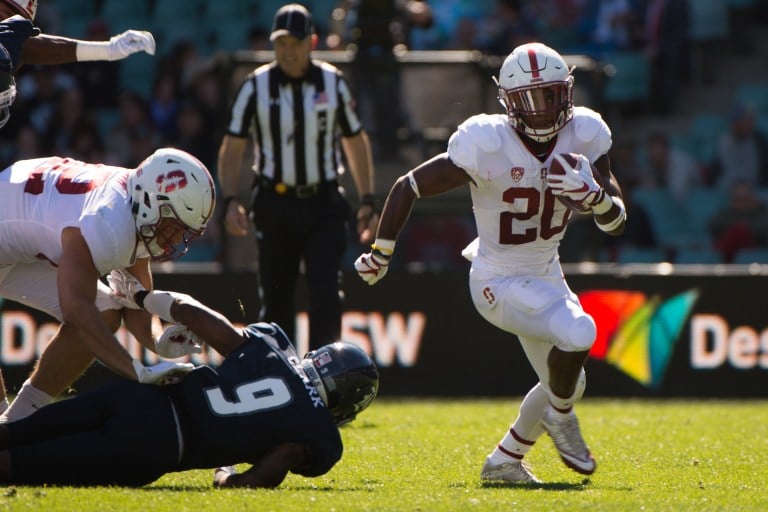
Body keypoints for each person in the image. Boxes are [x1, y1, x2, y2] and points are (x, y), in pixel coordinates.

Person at [355, 42, 627, 483]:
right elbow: (408, 185)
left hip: (546, 273)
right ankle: (560, 419)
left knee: (569, 382)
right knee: (581, 331)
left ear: (568, 92)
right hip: (496, 278)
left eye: (551, 96)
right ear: (508, 101)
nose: (541, 111)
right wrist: (381, 251)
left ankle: (504, 461)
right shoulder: (487, 140)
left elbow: (616, 221)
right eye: (529, 100)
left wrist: (596, 199)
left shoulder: (586, 133)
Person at [0, 283, 379, 487]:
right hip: (159, 444)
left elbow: (195, 315)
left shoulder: (272, 346)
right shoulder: (317, 434)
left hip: (141, 395)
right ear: (345, 403)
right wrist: (227, 476)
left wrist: (143, 297)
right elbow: (270, 468)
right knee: (19, 466)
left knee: (17, 432)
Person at [0, 147, 216, 422]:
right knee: (92, 314)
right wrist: (135, 370)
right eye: (174, 226)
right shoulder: (107, 220)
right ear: (153, 202)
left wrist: (158, 343)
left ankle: (18, 420)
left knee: (107, 310)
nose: (174, 241)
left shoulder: (137, 203)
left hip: (18, 232)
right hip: (6, 214)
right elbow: (77, 312)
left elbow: (133, 299)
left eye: (184, 232)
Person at [219, 3, 378, 351]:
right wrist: (230, 200)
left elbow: (355, 141)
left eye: (295, 43)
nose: (288, 52)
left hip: (323, 202)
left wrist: (367, 199)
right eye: (282, 44)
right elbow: (233, 146)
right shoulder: (255, 86)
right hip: (274, 202)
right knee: (276, 299)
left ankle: (330, 387)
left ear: (312, 42)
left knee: (326, 296)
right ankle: (283, 385)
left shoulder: (332, 82)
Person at [709, 179, 768, 263]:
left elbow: (760, 230)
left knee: (740, 230)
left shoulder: (761, 211)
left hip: (754, 247)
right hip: (729, 248)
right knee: (737, 230)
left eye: (744, 198)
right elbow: (714, 225)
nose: (741, 203)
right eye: (737, 199)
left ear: (753, 197)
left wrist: (741, 224)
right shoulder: (727, 212)